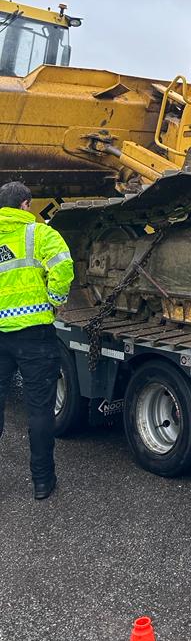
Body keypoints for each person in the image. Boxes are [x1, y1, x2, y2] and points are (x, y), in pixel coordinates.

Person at [0, 181, 73, 499]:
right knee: (39, 410)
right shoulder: (41, 234)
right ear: (26, 205)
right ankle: (43, 482)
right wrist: (55, 298)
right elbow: (64, 268)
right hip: (35, 335)